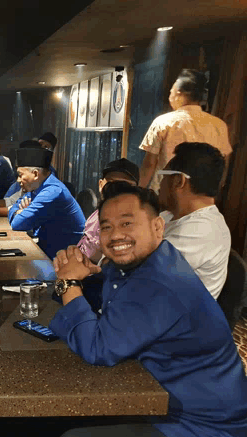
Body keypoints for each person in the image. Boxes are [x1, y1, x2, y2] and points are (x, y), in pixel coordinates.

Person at [50, 182, 247, 437]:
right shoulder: (147, 261)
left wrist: (69, 283)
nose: (116, 235)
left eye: (127, 223)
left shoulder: (160, 285)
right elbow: (111, 298)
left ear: (158, 227)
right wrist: (83, 274)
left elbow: (97, 348)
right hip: (164, 395)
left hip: (200, 427)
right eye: (106, 227)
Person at [157, 142, 231, 299]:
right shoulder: (169, 216)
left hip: (176, 319)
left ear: (179, 181)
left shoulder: (204, 229)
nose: (159, 185)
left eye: (163, 177)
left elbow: (143, 273)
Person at [139, 69, 232, 191]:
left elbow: (150, 164)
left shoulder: (163, 122)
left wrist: (139, 190)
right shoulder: (219, 125)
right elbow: (224, 164)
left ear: (178, 94)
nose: (170, 96)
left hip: (165, 192)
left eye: (171, 92)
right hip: (202, 195)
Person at [8, 146, 85, 259]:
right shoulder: (37, 188)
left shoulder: (52, 191)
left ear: (35, 174)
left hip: (64, 257)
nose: (18, 180)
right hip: (47, 249)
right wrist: (17, 211)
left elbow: (17, 224)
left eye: (20, 175)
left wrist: (19, 213)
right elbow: (13, 207)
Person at [77, 158, 139, 263]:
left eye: (125, 185)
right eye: (111, 183)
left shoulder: (136, 222)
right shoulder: (96, 213)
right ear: (101, 184)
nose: (116, 189)